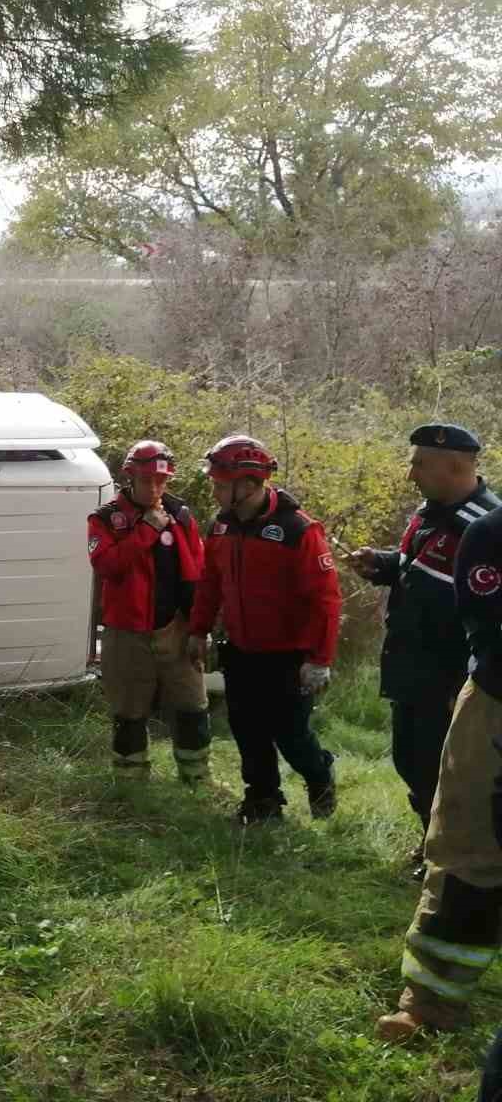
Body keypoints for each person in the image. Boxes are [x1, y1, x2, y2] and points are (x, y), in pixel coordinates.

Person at [378, 498, 502, 1041]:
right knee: (467, 849)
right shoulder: (490, 534)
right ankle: (430, 1003)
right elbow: (487, 630)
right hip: (497, 705)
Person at [350, 424, 498, 880]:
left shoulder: (485, 527)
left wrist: (467, 682)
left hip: (450, 676)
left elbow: (486, 617)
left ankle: (454, 861)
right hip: (410, 665)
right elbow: (417, 567)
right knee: (411, 760)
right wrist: (382, 564)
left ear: (454, 466)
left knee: (448, 771)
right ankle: (432, 840)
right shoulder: (430, 513)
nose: (410, 474)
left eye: (419, 464)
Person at [187, 435, 341, 825]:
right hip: (240, 650)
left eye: (221, 484)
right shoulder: (221, 526)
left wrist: (320, 659)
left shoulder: (298, 529)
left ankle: (319, 774)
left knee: (291, 734)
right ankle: (262, 801)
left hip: (288, 655)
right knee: (247, 730)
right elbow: (210, 583)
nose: (215, 492)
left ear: (250, 484)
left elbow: (326, 600)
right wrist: (198, 630)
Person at [86, 440, 210, 783]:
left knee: (192, 705)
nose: (155, 488)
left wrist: (200, 627)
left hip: (177, 628)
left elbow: (198, 573)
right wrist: (147, 530)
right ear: (131, 477)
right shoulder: (106, 518)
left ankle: (197, 779)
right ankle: (130, 782)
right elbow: (107, 565)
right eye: (147, 481)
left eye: (161, 481)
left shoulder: (181, 515)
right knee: (128, 710)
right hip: (126, 632)